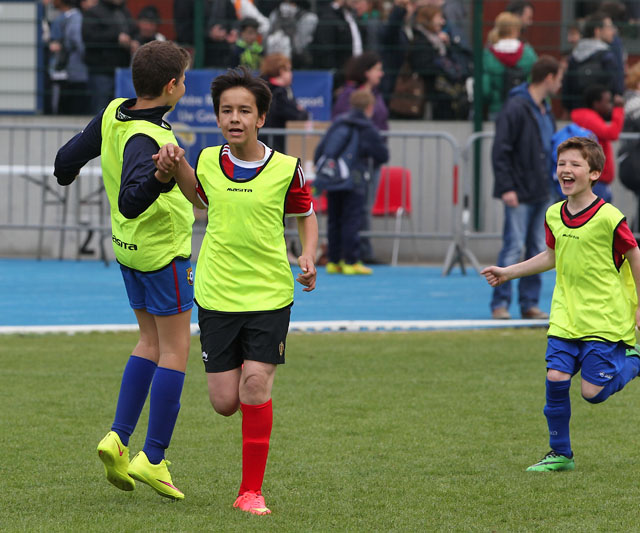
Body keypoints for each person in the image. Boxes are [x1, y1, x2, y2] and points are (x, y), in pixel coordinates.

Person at [153, 66, 318, 515]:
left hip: (269, 295)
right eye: (226, 110)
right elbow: (199, 198)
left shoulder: (286, 168)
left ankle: (250, 492)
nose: (234, 118)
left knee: (255, 385)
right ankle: (248, 383)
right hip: (217, 293)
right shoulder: (207, 159)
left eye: (245, 110)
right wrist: (177, 167)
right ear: (218, 116)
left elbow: (306, 215)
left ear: (261, 117)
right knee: (225, 402)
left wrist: (308, 255)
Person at [53, 40, 193, 500]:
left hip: (128, 252)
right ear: (171, 86)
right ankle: (153, 457)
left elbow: (65, 162)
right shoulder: (154, 139)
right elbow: (133, 201)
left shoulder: (115, 110)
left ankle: (117, 437)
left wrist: (68, 174)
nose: (185, 86)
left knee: (148, 342)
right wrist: (160, 176)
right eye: (183, 80)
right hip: (162, 252)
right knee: (175, 350)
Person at [482, 136, 640, 472]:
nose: (565, 170)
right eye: (561, 164)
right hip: (565, 315)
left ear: (594, 173)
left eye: (574, 164)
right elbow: (552, 255)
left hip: (603, 318)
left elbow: (634, 254)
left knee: (592, 393)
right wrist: (508, 273)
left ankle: (634, 359)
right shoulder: (554, 213)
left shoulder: (610, 217)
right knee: (555, 377)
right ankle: (560, 453)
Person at [490, 55, 563, 320]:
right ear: (549, 78)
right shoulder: (516, 107)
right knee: (513, 246)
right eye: (559, 78)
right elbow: (501, 150)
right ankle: (500, 303)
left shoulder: (545, 110)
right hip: (519, 190)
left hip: (541, 189)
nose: (561, 84)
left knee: (538, 249)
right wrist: (507, 187)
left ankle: (529, 303)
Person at [317, 88, 389, 275]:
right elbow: (382, 154)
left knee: (334, 219)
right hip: (354, 178)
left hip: (334, 178)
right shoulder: (366, 127)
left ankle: (334, 261)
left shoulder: (338, 123)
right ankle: (351, 261)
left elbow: (320, 150)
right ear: (370, 107)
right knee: (352, 220)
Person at [332, 51, 388, 263]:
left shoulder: (377, 94)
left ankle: (360, 251)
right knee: (354, 208)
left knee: (364, 207)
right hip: (354, 162)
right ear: (366, 72)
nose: (381, 74)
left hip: (372, 160)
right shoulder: (348, 95)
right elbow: (341, 125)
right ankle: (354, 253)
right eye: (377, 69)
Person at [570, 84, 624, 203]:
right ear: (596, 103)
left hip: (597, 181)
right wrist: (618, 109)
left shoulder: (588, 116)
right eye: (607, 102)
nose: (610, 105)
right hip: (595, 183)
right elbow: (612, 133)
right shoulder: (588, 118)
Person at [82, 0, 137, 114]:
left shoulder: (124, 11)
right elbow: (89, 37)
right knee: (101, 110)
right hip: (101, 71)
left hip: (122, 71)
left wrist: (134, 41)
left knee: (121, 111)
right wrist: (116, 38)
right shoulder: (93, 12)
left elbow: (133, 30)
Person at [561, 12, 622, 112]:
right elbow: (616, 88)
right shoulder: (607, 56)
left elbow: (567, 93)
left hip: (577, 112)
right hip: (601, 114)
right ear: (597, 31)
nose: (613, 31)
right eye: (609, 27)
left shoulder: (574, 56)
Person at [483, 11, 537, 119]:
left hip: (497, 109)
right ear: (516, 30)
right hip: (523, 109)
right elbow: (535, 82)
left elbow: (485, 90)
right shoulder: (528, 54)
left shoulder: (488, 55)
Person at [259, 53, 308, 154]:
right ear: (281, 71)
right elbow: (296, 114)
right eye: (289, 70)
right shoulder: (279, 93)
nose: (291, 74)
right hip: (273, 146)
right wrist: (301, 111)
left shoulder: (260, 87)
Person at [48, 0, 90, 115]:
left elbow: (75, 41)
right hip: (70, 68)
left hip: (70, 67)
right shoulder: (72, 17)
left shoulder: (73, 17)